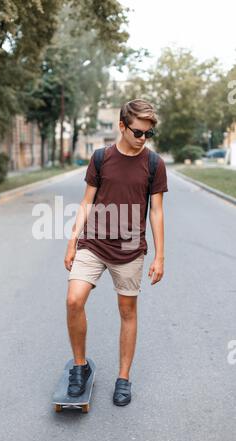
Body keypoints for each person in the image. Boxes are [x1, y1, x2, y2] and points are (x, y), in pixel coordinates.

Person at [64, 99, 168, 406]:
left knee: (127, 312)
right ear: (121, 126)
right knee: (73, 299)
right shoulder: (100, 158)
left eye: (149, 134)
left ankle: (123, 378)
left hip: (129, 249)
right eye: (138, 132)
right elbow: (86, 202)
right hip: (93, 243)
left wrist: (160, 255)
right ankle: (79, 367)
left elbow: (157, 212)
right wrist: (72, 240)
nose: (142, 139)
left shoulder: (153, 164)